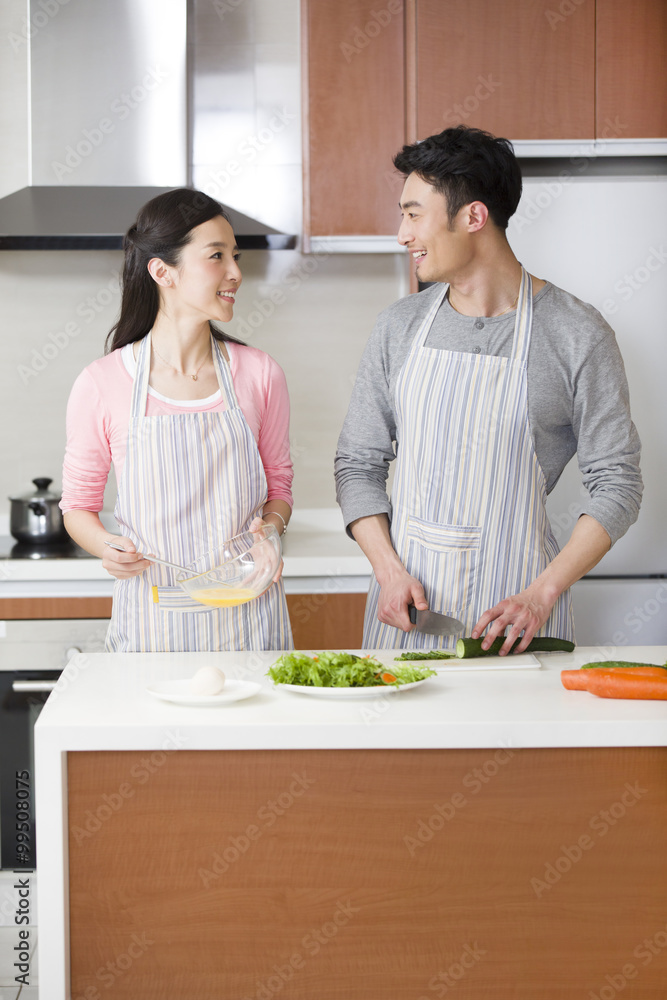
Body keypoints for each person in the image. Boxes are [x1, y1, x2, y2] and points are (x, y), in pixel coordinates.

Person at [335, 126, 642, 655]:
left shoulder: (576, 333)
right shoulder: (398, 327)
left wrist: (542, 594)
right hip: (404, 614)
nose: (402, 233)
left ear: (472, 217)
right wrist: (387, 572)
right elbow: (357, 464)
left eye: (413, 214)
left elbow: (618, 485)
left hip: (518, 622)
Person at [61, 188, 293, 652]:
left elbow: (280, 488)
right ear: (162, 271)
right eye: (216, 256)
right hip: (153, 627)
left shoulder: (259, 373)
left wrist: (269, 530)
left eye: (235, 256)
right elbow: (78, 508)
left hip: (250, 620)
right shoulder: (103, 382)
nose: (235, 274)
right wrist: (107, 546)